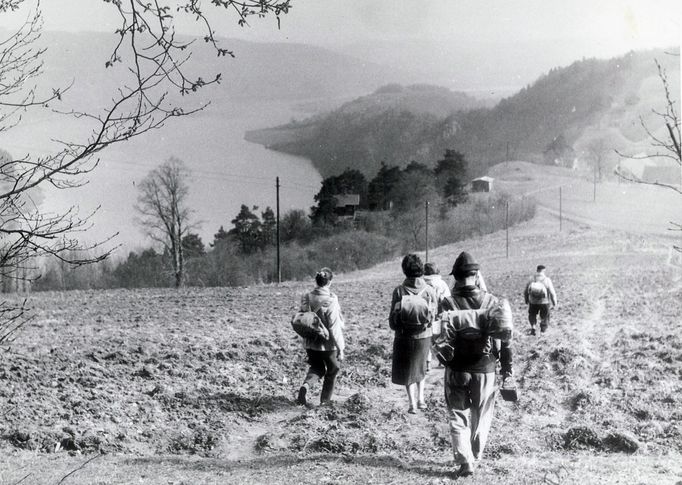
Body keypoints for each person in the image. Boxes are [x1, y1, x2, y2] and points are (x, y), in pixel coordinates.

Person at [440, 251, 513, 478]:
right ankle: (475, 453)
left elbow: (440, 338)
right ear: (476, 275)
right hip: (485, 369)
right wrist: (506, 369)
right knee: (481, 414)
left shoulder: (447, 302)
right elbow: (503, 340)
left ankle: (465, 461)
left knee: (457, 415)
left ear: (456, 277)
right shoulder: (492, 301)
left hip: (457, 369)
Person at [389, 253, 437, 414]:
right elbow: (434, 316)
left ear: (405, 270)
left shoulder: (399, 291)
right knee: (421, 366)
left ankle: (411, 403)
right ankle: (421, 399)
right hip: (424, 335)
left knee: (408, 369)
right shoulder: (429, 290)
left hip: (403, 336)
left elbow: (392, 321)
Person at [296, 267, 345, 406]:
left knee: (317, 367)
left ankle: (306, 386)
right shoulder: (331, 300)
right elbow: (334, 328)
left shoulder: (306, 297)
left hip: (310, 342)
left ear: (316, 281)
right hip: (327, 345)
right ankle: (325, 402)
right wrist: (340, 348)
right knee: (333, 368)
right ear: (329, 282)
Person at [523, 264, 557, 335]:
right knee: (545, 316)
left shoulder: (531, 279)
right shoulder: (547, 280)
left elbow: (526, 291)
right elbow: (552, 293)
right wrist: (554, 303)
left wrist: (526, 300)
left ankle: (533, 326)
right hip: (544, 302)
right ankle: (543, 330)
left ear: (537, 270)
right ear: (544, 271)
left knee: (532, 315)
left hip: (533, 302)